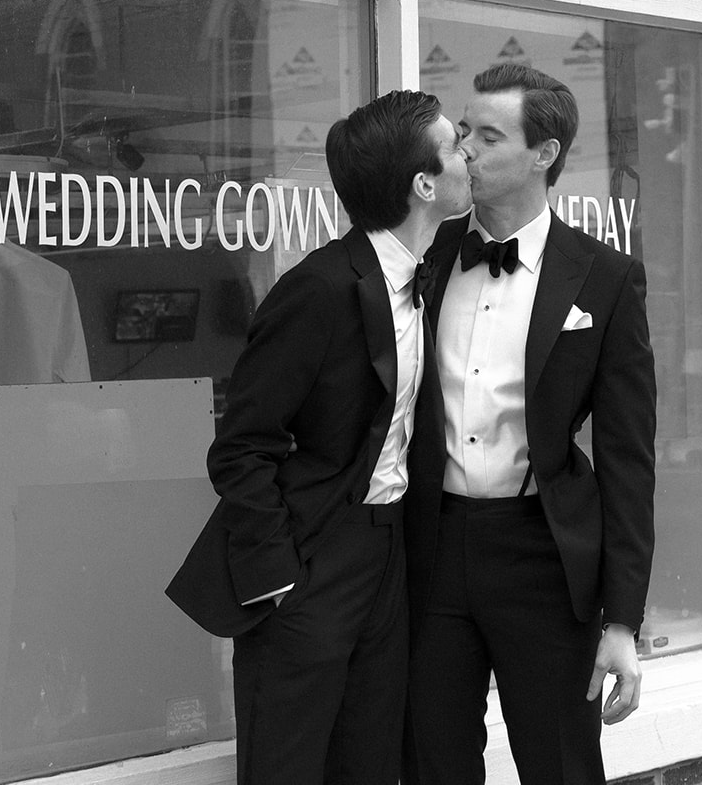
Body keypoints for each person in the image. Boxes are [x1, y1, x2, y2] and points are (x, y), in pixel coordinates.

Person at [166, 89, 472, 785]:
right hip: (310, 559)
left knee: (368, 760)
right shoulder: (319, 289)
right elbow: (241, 444)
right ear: (424, 184)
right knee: (288, 764)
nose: (469, 156)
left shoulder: (420, 272)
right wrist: (277, 579)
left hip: (387, 553)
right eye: (456, 147)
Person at [404, 62, 656, 785]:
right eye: (462, 134)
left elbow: (626, 456)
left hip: (542, 557)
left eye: (487, 136)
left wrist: (621, 622)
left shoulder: (603, 277)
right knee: (431, 764)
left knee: (560, 766)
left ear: (543, 154)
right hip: (428, 547)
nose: (465, 151)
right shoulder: (424, 256)